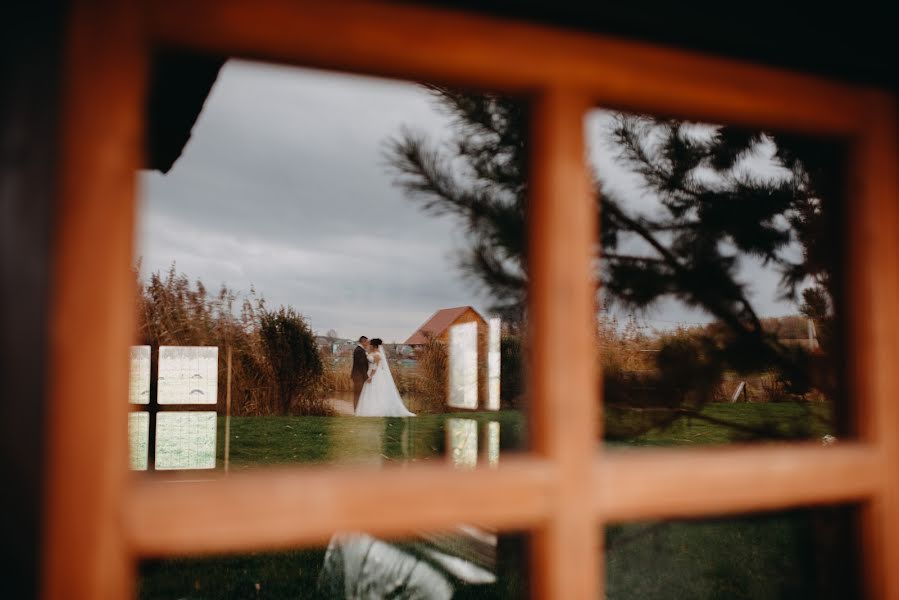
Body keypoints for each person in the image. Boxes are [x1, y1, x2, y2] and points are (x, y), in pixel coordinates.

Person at [355, 338, 415, 417]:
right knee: (370, 391)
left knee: (375, 391)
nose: (369, 345)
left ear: (374, 346)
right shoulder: (372, 353)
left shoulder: (377, 355)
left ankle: (376, 410)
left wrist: (370, 377)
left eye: (370, 344)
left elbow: (375, 367)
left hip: (374, 374)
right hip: (370, 372)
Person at [350, 336, 370, 410]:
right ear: (363, 342)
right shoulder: (359, 350)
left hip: (359, 376)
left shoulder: (360, 350)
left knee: (359, 393)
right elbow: (361, 365)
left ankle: (358, 409)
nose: (367, 344)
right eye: (367, 342)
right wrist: (366, 376)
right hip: (358, 376)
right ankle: (356, 410)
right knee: (358, 393)